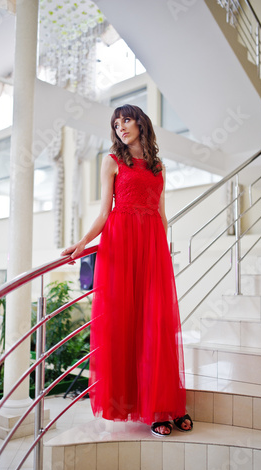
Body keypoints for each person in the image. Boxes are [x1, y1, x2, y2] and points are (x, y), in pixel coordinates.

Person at [61, 104, 193, 436]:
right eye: (116, 122)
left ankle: (164, 406)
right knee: (125, 322)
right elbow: (105, 212)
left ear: (141, 123)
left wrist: (163, 249)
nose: (121, 126)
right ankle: (140, 405)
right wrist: (81, 243)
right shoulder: (112, 161)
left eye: (127, 119)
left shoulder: (159, 167)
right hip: (121, 244)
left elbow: (161, 213)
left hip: (151, 246)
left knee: (155, 324)